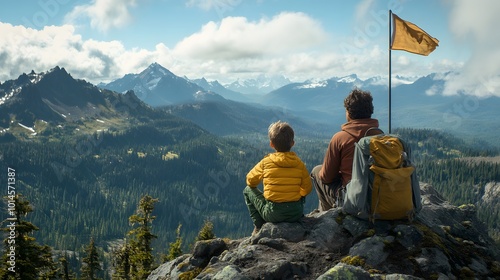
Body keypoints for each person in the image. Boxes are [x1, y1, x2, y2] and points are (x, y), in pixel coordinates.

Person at [311, 88, 380, 211]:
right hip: (379, 196)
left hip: (353, 199)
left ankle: (327, 216)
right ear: (370, 111)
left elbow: (326, 177)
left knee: (317, 171)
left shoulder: (340, 138)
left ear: (348, 112)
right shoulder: (381, 137)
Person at [243, 120, 312, 235]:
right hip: (295, 213)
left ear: (271, 144)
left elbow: (250, 181)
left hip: (273, 214)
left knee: (247, 190)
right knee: (301, 193)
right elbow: (307, 189)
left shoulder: (266, 162)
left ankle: (259, 226)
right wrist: (293, 195)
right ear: (292, 143)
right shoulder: (299, 164)